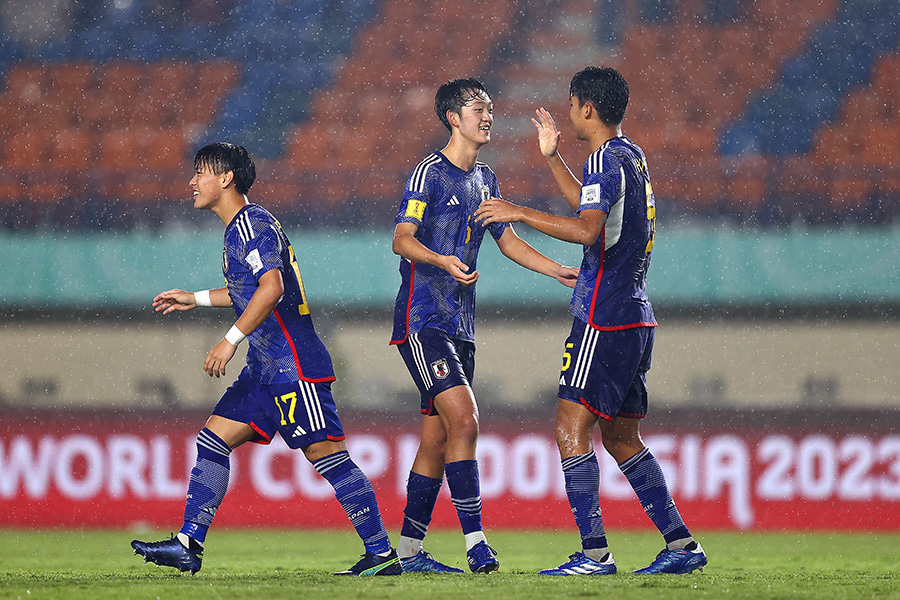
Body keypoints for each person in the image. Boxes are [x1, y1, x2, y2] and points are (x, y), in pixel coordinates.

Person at [474, 66, 707, 575]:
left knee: (569, 426)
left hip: (603, 316)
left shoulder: (605, 158)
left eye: (572, 102)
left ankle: (595, 554)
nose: (569, 110)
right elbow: (594, 210)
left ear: (587, 109)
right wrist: (554, 157)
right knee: (622, 439)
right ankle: (682, 546)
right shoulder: (630, 156)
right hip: (634, 313)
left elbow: (586, 230)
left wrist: (517, 210)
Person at [131, 142, 400, 577]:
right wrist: (195, 298)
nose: (192, 181)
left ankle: (382, 555)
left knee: (326, 455)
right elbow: (248, 291)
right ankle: (188, 544)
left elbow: (271, 287)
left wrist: (230, 340)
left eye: (201, 172)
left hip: (293, 365)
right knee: (213, 440)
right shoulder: (238, 228)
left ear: (225, 179)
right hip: (265, 368)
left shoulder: (250, 224)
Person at [390, 78, 579, 574]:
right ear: (454, 117)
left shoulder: (486, 179)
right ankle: (477, 543)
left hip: (461, 325)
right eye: (479, 108)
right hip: (422, 319)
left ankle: (408, 553)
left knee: (436, 440)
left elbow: (508, 241)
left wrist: (554, 267)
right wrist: (441, 259)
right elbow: (401, 240)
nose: (488, 115)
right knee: (467, 421)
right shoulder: (429, 173)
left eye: (491, 107)